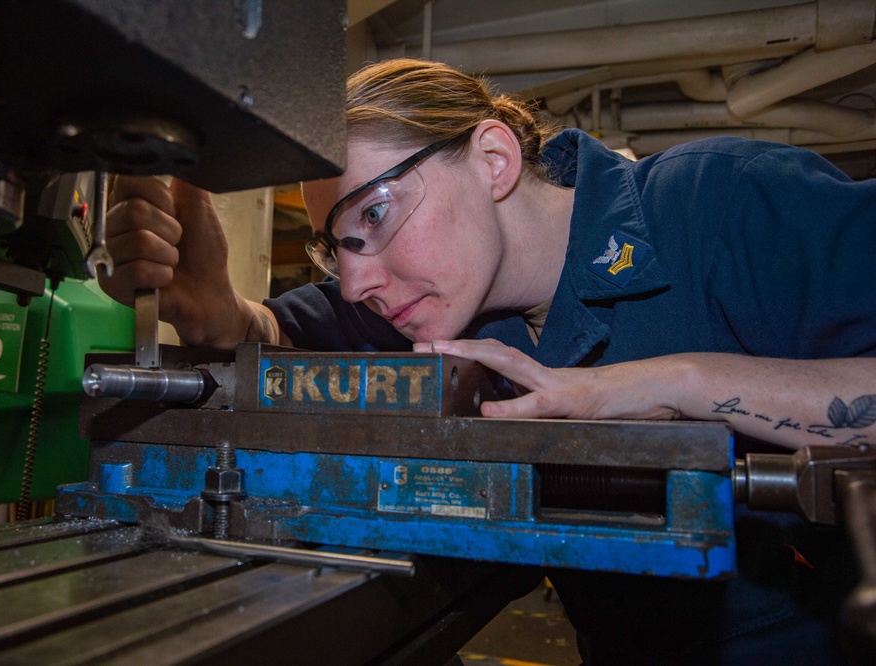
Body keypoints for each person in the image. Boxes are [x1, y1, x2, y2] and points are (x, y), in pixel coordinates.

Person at [100, 58, 876, 664]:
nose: (359, 280)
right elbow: (275, 336)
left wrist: (672, 382)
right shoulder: (435, 311)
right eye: (336, 247)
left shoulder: (723, 205)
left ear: (494, 159)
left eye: (374, 214)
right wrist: (213, 309)